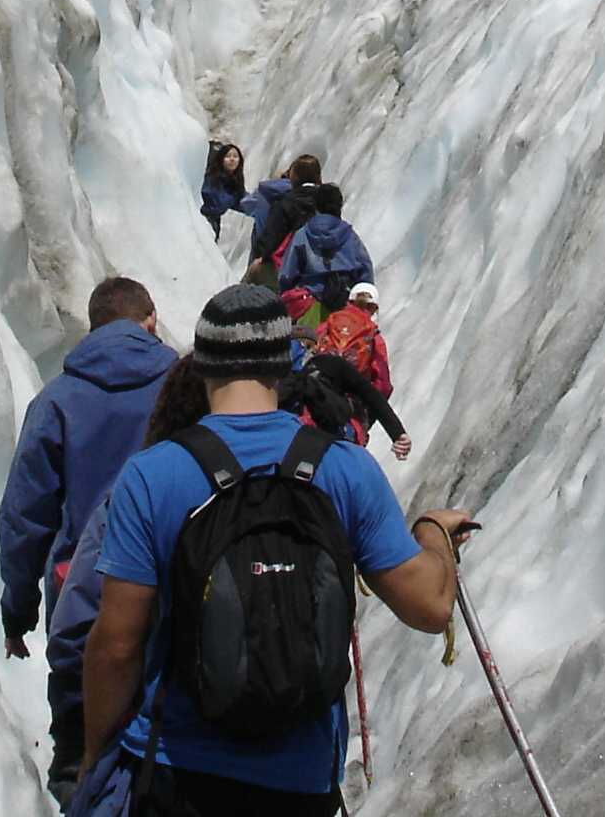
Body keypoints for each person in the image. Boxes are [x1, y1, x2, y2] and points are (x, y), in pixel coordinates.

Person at [78, 285, 471, 814]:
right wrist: (433, 533)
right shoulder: (346, 468)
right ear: (283, 367)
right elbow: (430, 607)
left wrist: (94, 753)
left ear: (203, 365)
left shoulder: (152, 474)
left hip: (178, 769)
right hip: (301, 780)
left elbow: (117, 644)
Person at [46, 357, 212, 809]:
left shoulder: (140, 485)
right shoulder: (292, 484)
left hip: (152, 747)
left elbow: (83, 631)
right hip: (278, 761)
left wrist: (86, 743)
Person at [0, 278, 176, 667]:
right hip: (170, 588)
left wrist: (18, 610)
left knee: (84, 720)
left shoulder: (56, 400)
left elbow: (24, 514)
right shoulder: (184, 387)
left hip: (83, 597)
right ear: (151, 320)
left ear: (94, 328)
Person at [275, 185, 374, 311]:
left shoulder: (302, 235)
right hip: (344, 306)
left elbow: (286, 276)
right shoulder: (350, 236)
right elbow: (365, 272)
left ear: (316, 207)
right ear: (339, 207)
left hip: (309, 305)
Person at [241, 154, 323, 286]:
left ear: (294, 177)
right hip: (318, 269)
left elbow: (271, 235)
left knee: (246, 292)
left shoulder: (285, 202)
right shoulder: (327, 202)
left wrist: (261, 256)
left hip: (283, 266)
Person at [312, 280, 392, 404]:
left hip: (315, 390)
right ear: (374, 308)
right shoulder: (374, 337)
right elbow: (383, 385)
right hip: (347, 402)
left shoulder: (330, 322)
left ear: (349, 301)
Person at [197, 141, 246, 232]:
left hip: (214, 221)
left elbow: (244, 201)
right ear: (221, 159)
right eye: (228, 156)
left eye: (235, 156)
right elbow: (215, 202)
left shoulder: (234, 182)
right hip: (203, 219)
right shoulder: (212, 177)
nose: (232, 159)